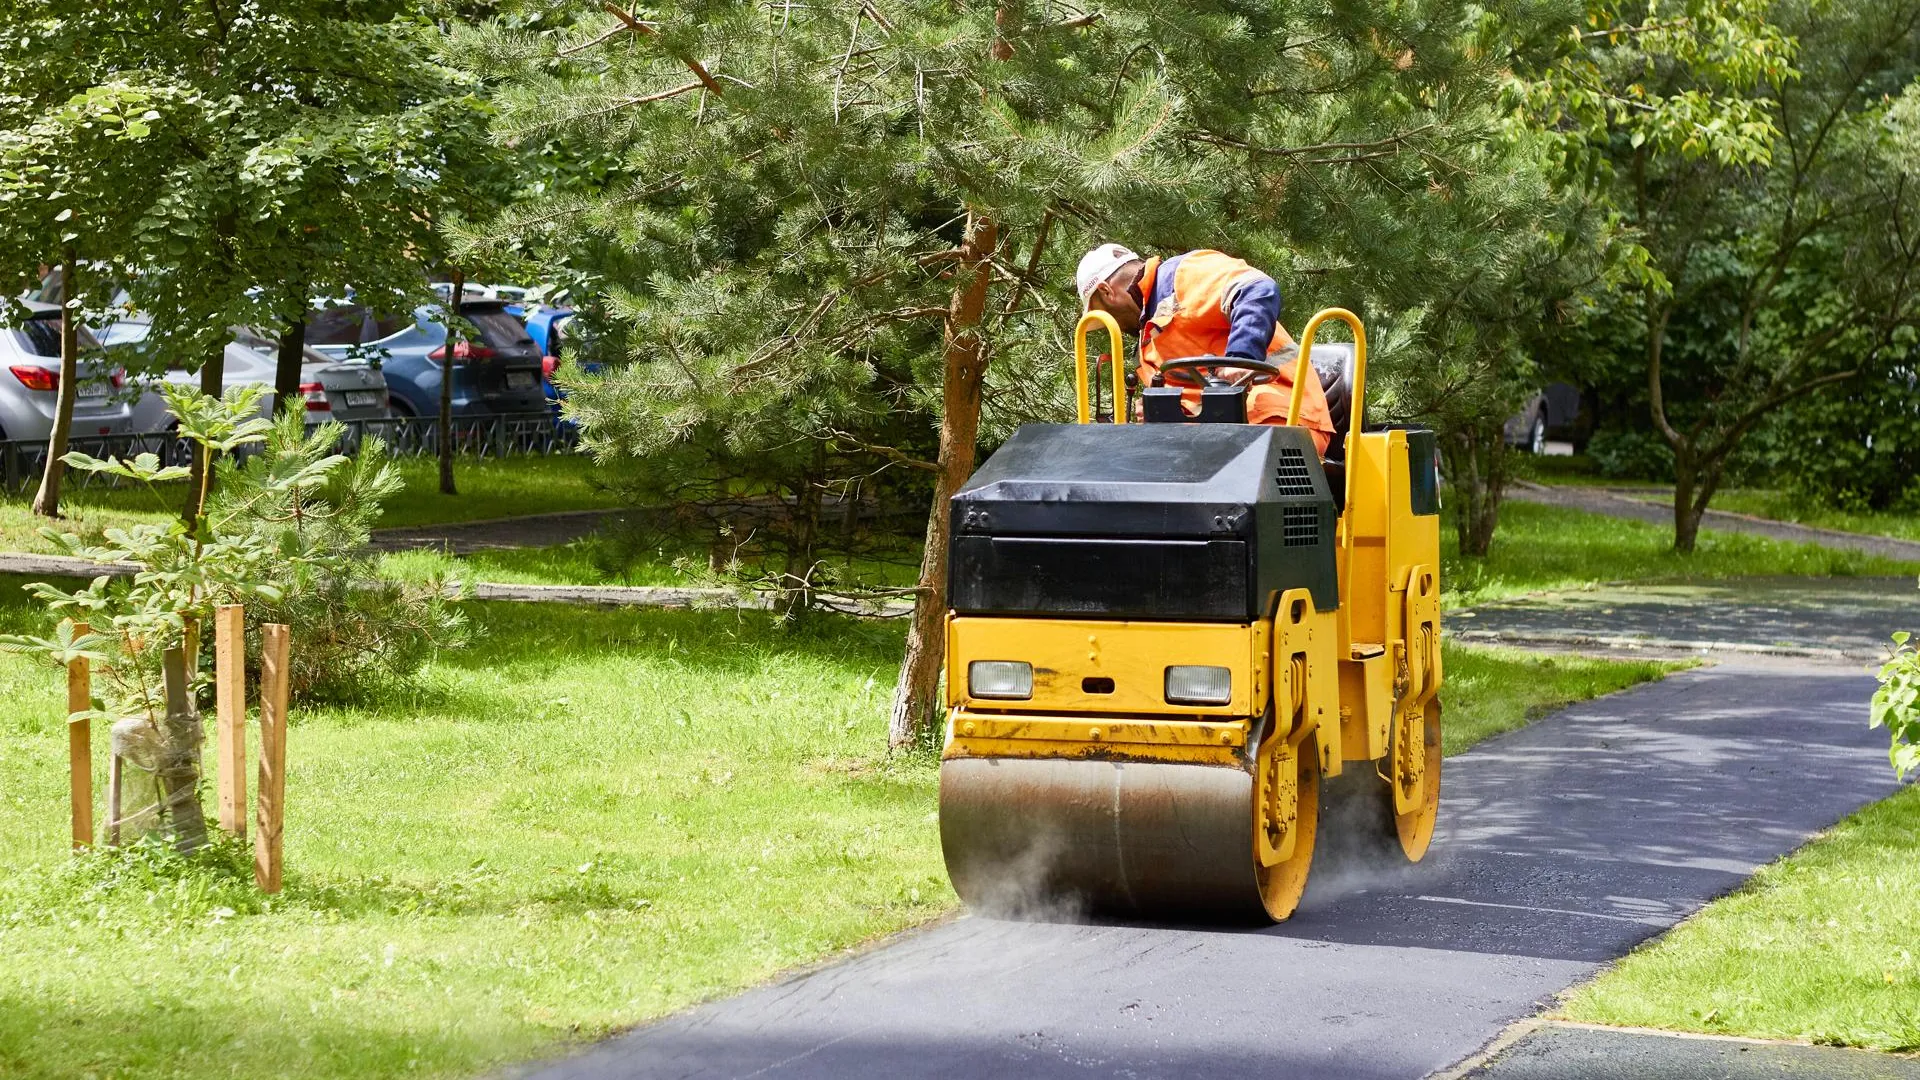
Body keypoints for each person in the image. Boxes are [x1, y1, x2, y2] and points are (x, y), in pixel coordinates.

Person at [1076, 243, 1336, 455]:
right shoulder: (1150, 336)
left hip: (1281, 419)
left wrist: (1241, 358)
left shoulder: (1185, 274)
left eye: (1105, 314)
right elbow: (1196, 399)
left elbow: (1258, 288)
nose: (1115, 326)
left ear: (1107, 292)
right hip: (1220, 435)